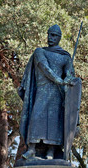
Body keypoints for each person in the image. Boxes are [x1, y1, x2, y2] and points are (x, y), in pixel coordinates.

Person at [18, 24, 75, 160]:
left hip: (57, 94)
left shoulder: (65, 57)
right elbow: (45, 68)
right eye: (49, 34)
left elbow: (68, 74)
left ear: (59, 38)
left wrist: (68, 78)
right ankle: (31, 148)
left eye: (54, 35)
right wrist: (60, 81)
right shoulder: (39, 52)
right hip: (42, 92)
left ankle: (51, 151)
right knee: (36, 117)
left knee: (55, 121)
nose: (51, 38)